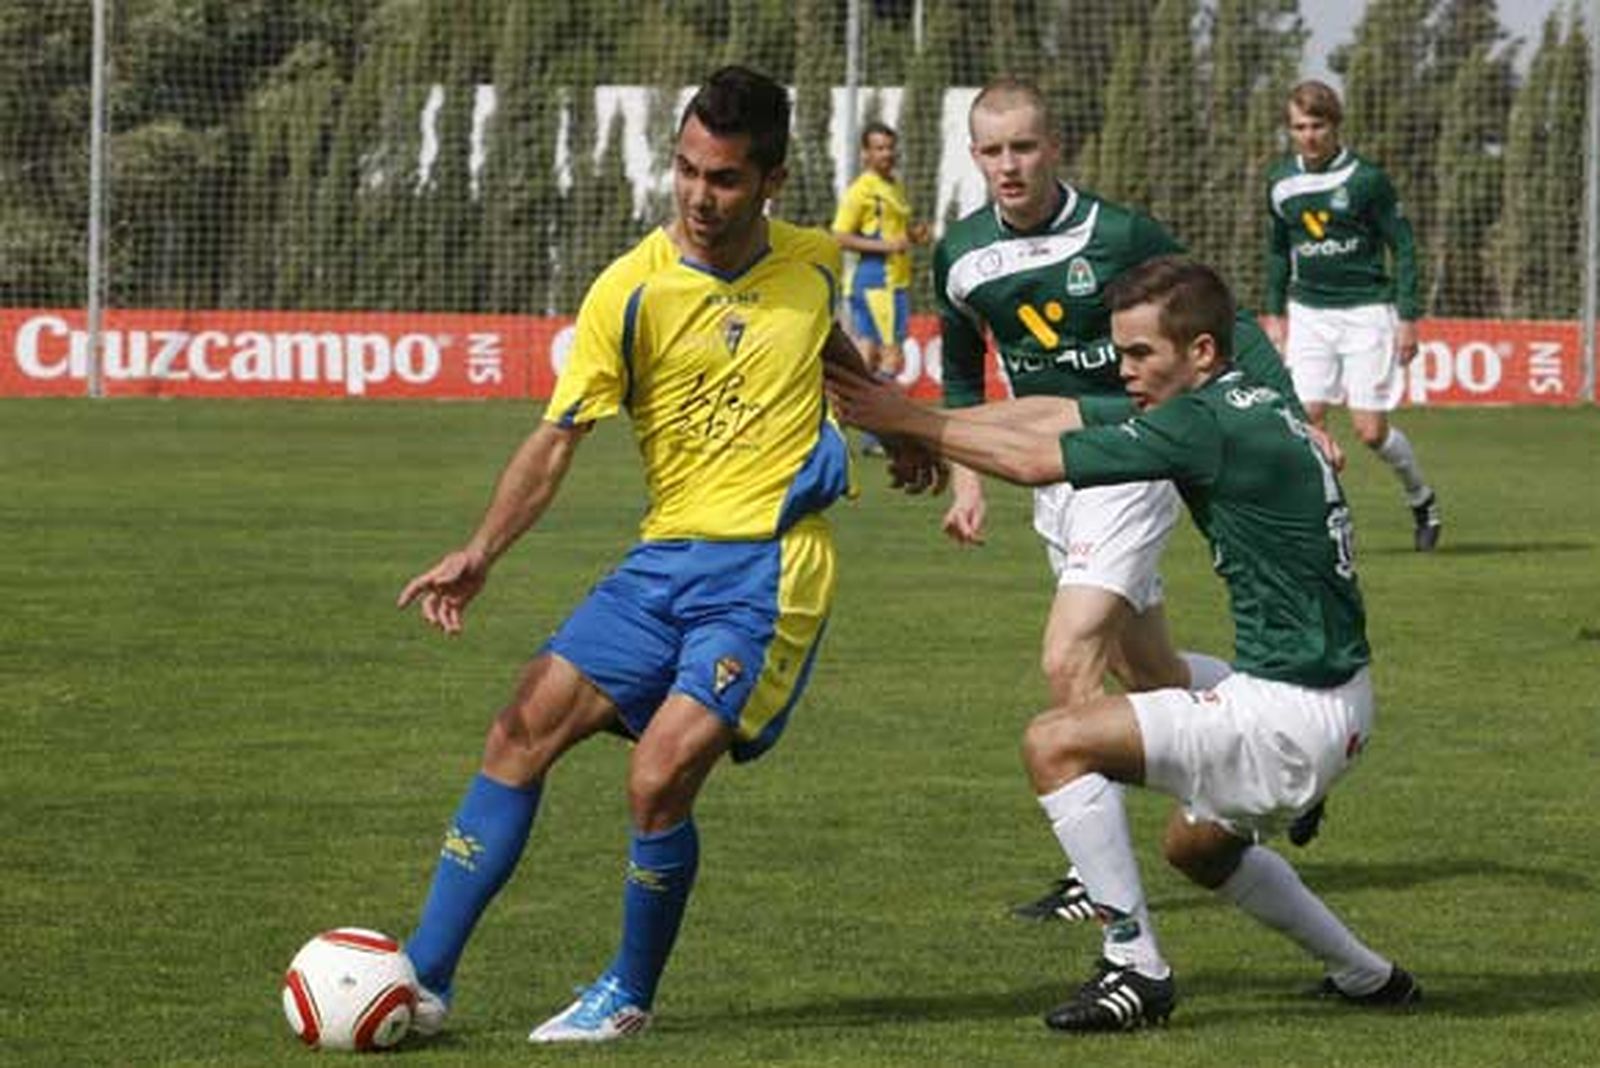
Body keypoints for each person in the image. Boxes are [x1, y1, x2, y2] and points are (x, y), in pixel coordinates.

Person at [393, 65, 931, 1046]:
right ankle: (421, 983)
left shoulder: (809, 267)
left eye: (722, 178)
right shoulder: (629, 288)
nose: (695, 195)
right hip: (661, 564)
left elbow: (831, 354)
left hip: (769, 571)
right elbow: (558, 437)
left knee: (657, 776)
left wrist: (903, 433)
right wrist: (482, 551)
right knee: (518, 729)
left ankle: (626, 993)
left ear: (770, 180)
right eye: (684, 169)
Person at [828, 255, 1421, 1033]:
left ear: (1202, 353)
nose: (1123, 369)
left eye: (1141, 354)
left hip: (1288, 719)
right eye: (1120, 351)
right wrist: (904, 408)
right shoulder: (1251, 402)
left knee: (1055, 743)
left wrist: (901, 421)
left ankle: (1133, 967)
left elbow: (1036, 459)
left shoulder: (1199, 423)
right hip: (1340, 703)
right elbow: (1058, 416)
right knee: (1196, 849)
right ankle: (1368, 976)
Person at [935, 78, 1320, 923]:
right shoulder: (960, 253)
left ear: (1055, 146)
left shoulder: (1117, 233)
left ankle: (1098, 886)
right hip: (1047, 470)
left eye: (1025, 147)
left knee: (1068, 656)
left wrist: (1286, 415)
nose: (1010, 166)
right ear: (975, 157)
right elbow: (962, 371)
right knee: (1149, 671)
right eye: (994, 151)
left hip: (1129, 458)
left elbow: (1223, 311)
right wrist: (969, 477)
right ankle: (1281, 739)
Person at [1263, 79, 1441, 553]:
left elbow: (1402, 246)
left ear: (1334, 125)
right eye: (1299, 126)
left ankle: (1421, 497)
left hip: (1366, 312)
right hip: (1310, 314)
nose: (1308, 135)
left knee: (1369, 431)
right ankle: (1325, 524)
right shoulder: (1281, 183)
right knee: (1309, 420)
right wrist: (1275, 312)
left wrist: (1407, 317)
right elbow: (1278, 251)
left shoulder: (1365, 180)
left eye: (1317, 125)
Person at [831, 121, 930, 456]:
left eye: (890, 147)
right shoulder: (862, 190)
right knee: (891, 356)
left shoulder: (893, 186)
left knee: (866, 360)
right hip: (876, 283)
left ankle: (833, 424)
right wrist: (889, 247)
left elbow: (894, 236)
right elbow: (840, 236)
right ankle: (876, 436)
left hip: (894, 282)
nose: (887, 153)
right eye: (879, 148)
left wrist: (913, 237)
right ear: (865, 153)